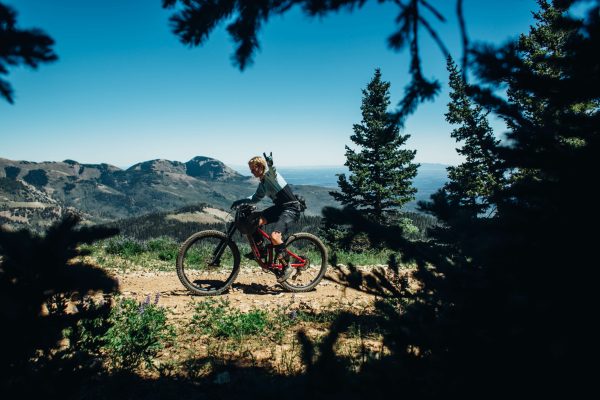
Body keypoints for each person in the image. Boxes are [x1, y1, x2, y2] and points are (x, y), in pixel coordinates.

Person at [231, 152, 303, 283]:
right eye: (251, 170)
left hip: (291, 208)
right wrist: (240, 201)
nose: (252, 172)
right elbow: (255, 198)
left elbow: (273, 171)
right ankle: (262, 250)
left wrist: (270, 164)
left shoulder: (270, 176)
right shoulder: (263, 184)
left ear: (260, 166)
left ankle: (287, 266)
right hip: (279, 208)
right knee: (254, 222)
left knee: (275, 237)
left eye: (253, 169)